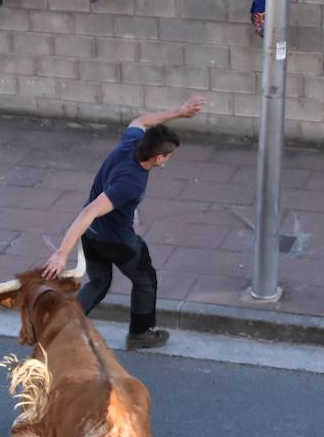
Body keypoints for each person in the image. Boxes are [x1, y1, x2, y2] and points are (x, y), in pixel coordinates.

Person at [42, 96, 207, 350]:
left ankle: (62, 327)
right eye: (169, 155)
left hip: (91, 237)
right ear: (159, 157)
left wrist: (179, 111)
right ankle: (140, 334)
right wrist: (62, 253)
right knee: (145, 279)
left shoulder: (131, 143)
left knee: (99, 282)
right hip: (115, 240)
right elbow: (89, 212)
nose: (169, 159)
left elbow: (140, 121)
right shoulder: (131, 182)